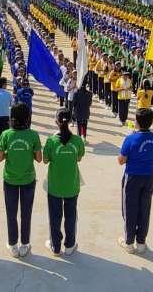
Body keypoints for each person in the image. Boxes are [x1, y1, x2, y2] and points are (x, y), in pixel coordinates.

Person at [0, 102, 42, 258]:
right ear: (28, 117)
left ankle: (13, 245)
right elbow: (39, 158)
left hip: (10, 179)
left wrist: (9, 153)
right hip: (28, 179)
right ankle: (24, 244)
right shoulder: (33, 135)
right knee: (26, 213)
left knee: (11, 213)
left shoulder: (6, 134)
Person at [117, 108, 153, 254]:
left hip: (133, 176)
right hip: (149, 176)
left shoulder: (130, 139)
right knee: (144, 208)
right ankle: (141, 241)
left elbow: (121, 160)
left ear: (137, 122)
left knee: (130, 208)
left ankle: (129, 242)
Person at [43, 108, 85, 256]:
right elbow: (79, 158)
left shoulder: (51, 141)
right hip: (72, 185)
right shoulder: (78, 141)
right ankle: (70, 245)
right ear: (71, 121)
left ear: (56, 121)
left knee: (54, 217)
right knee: (71, 216)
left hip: (54, 186)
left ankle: (55, 246)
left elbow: (45, 160)